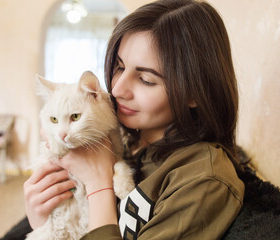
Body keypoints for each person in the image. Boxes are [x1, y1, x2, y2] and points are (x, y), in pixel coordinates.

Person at [22, 0, 245, 239]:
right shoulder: (125, 142)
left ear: (195, 93)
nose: (117, 90)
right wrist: (40, 219)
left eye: (146, 79)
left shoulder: (203, 180)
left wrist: (98, 183)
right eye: (119, 67)